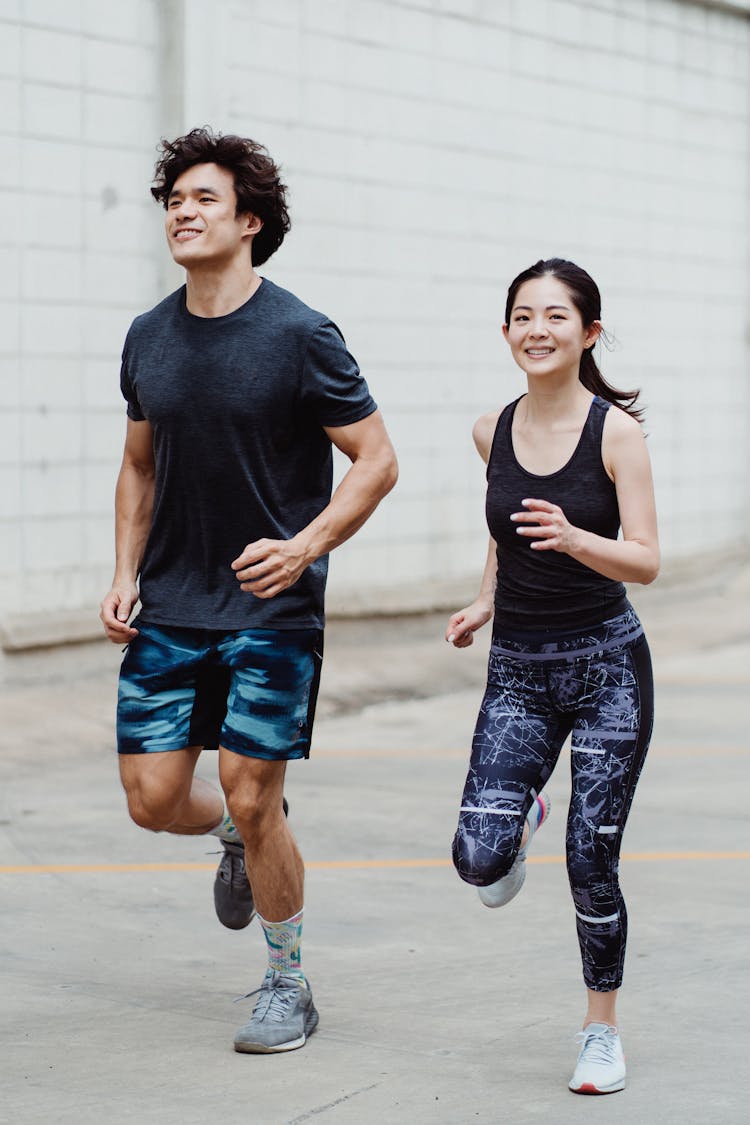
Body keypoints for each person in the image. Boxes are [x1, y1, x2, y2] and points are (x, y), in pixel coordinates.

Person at [99, 127, 398, 1054]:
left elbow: (377, 460)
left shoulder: (302, 335)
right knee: (152, 798)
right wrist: (121, 571)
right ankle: (235, 827)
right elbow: (138, 465)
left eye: (203, 200)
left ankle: (286, 979)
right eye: (173, 201)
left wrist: (304, 546)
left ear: (250, 221)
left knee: (257, 787)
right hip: (171, 602)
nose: (182, 214)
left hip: (272, 611)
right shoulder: (147, 335)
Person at [446, 258, 659, 1094]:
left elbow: (645, 558)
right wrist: (484, 597)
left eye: (557, 316)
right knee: (477, 861)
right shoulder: (488, 429)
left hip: (608, 666)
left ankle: (600, 1030)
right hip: (519, 673)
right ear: (507, 333)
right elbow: (504, 527)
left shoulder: (616, 435)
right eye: (523, 317)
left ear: (589, 332)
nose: (538, 329)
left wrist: (578, 540)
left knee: (590, 857)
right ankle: (526, 806)